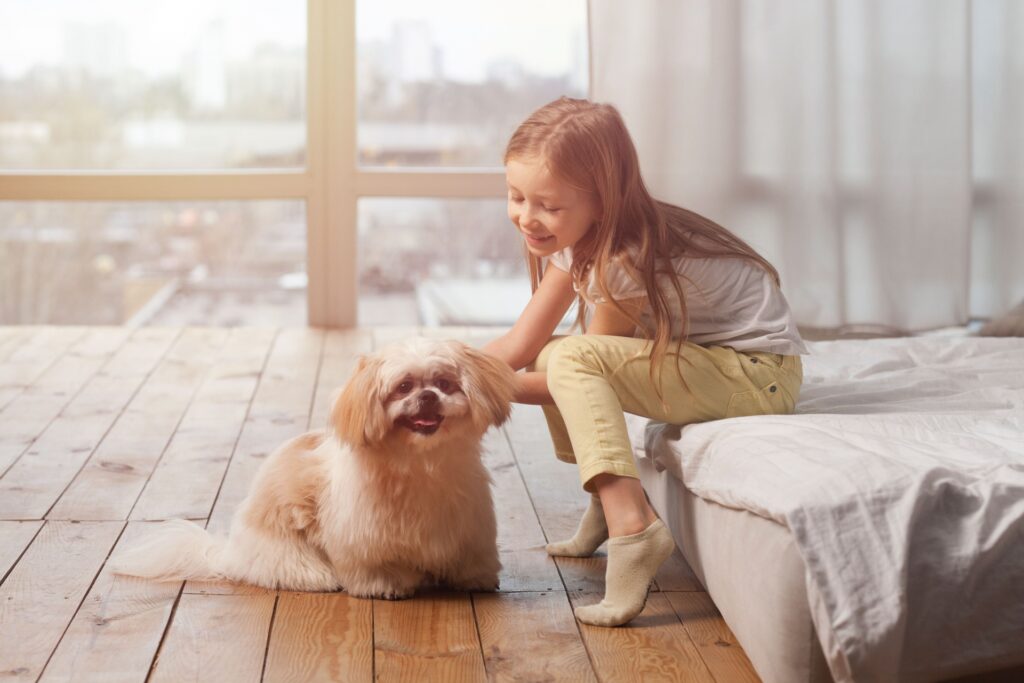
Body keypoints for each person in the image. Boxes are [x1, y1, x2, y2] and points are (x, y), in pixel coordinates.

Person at [483, 97, 807, 627]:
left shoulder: (625, 257)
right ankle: (602, 502)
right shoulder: (577, 237)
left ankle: (632, 527)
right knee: (554, 351)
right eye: (516, 196)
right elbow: (521, 346)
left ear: (601, 202)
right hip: (713, 362)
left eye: (548, 205)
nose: (527, 216)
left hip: (758, 377)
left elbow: (584, 370)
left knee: (573, 358)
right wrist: (443, 366)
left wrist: (477, 391)